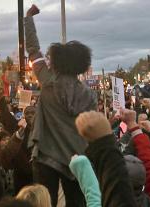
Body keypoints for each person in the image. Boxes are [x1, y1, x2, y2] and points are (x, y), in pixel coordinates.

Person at [25, 5, 97, 207]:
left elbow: (32, 48)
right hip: (77, 157)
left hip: (46, 155)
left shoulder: (47, 80)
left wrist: (28, 18)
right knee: (77, 202)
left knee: (45, 201)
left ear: (55, 62)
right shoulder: (90, 95)